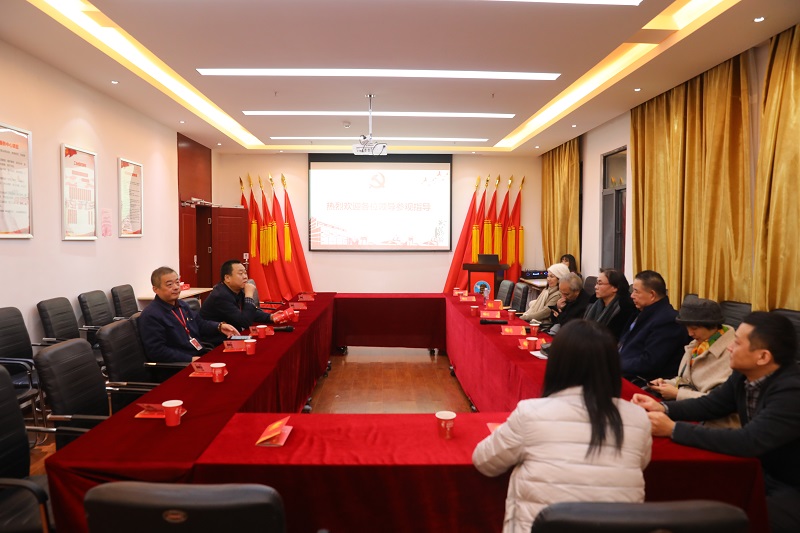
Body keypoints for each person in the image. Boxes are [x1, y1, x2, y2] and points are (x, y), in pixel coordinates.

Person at [473, 320, 652, 533]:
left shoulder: (531, 414)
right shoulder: (638, 418)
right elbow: (641, 462)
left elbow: (484, 461)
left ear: (557, 365)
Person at [633, 312, 800, 533]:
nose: (729, 347)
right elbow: (711, 404)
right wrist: (662, 408)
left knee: (731, 522)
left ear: (763, 357)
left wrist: (673, 429)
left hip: (790, 484)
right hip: (760, 471)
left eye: (737, 343)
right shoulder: (743, 375)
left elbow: (749, 441)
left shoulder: (791, 391)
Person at [648, 295, 738, 428]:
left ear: (713, 325)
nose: (690, 333)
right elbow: (686, 379)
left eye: (694, 328)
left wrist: (677, 394)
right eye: (687, 327)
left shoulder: (732, 353)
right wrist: (666, 384)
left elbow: (718, 402)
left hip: (717, 424)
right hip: (690, 411)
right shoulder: (697, 345)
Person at [138, 266, 238, 363]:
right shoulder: (151, 315)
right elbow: (157, 351)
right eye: (169, 284)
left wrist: (219, 326)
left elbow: (199, 324)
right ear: (156, 289)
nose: (176, 287)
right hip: (179, 365)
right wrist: (189, 359)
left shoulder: (182, 305)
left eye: (177, 282)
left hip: (199, 354)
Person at [618, 270, 689, 382]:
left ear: (652, 295)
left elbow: (649, 363)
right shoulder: (641, 313)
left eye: (636, 291)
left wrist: (614, 364)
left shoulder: (668, 320)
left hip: (640, 381)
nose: (632, 296)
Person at [200, 259, 273, 345]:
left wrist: (271, 317)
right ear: (227, 278)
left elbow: (250, 312)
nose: (245, 277)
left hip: (234, 334)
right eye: (240, 273)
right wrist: (249, 295)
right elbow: (245, 322)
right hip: (217, 340)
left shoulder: (237, 290)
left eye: (245, 273)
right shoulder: (221, 296)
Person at [583, 268, 637, 340]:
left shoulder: (625, 308)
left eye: (600, 284)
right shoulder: (594, 302)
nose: (595, 287)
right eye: (596, 283)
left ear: (615, 287)